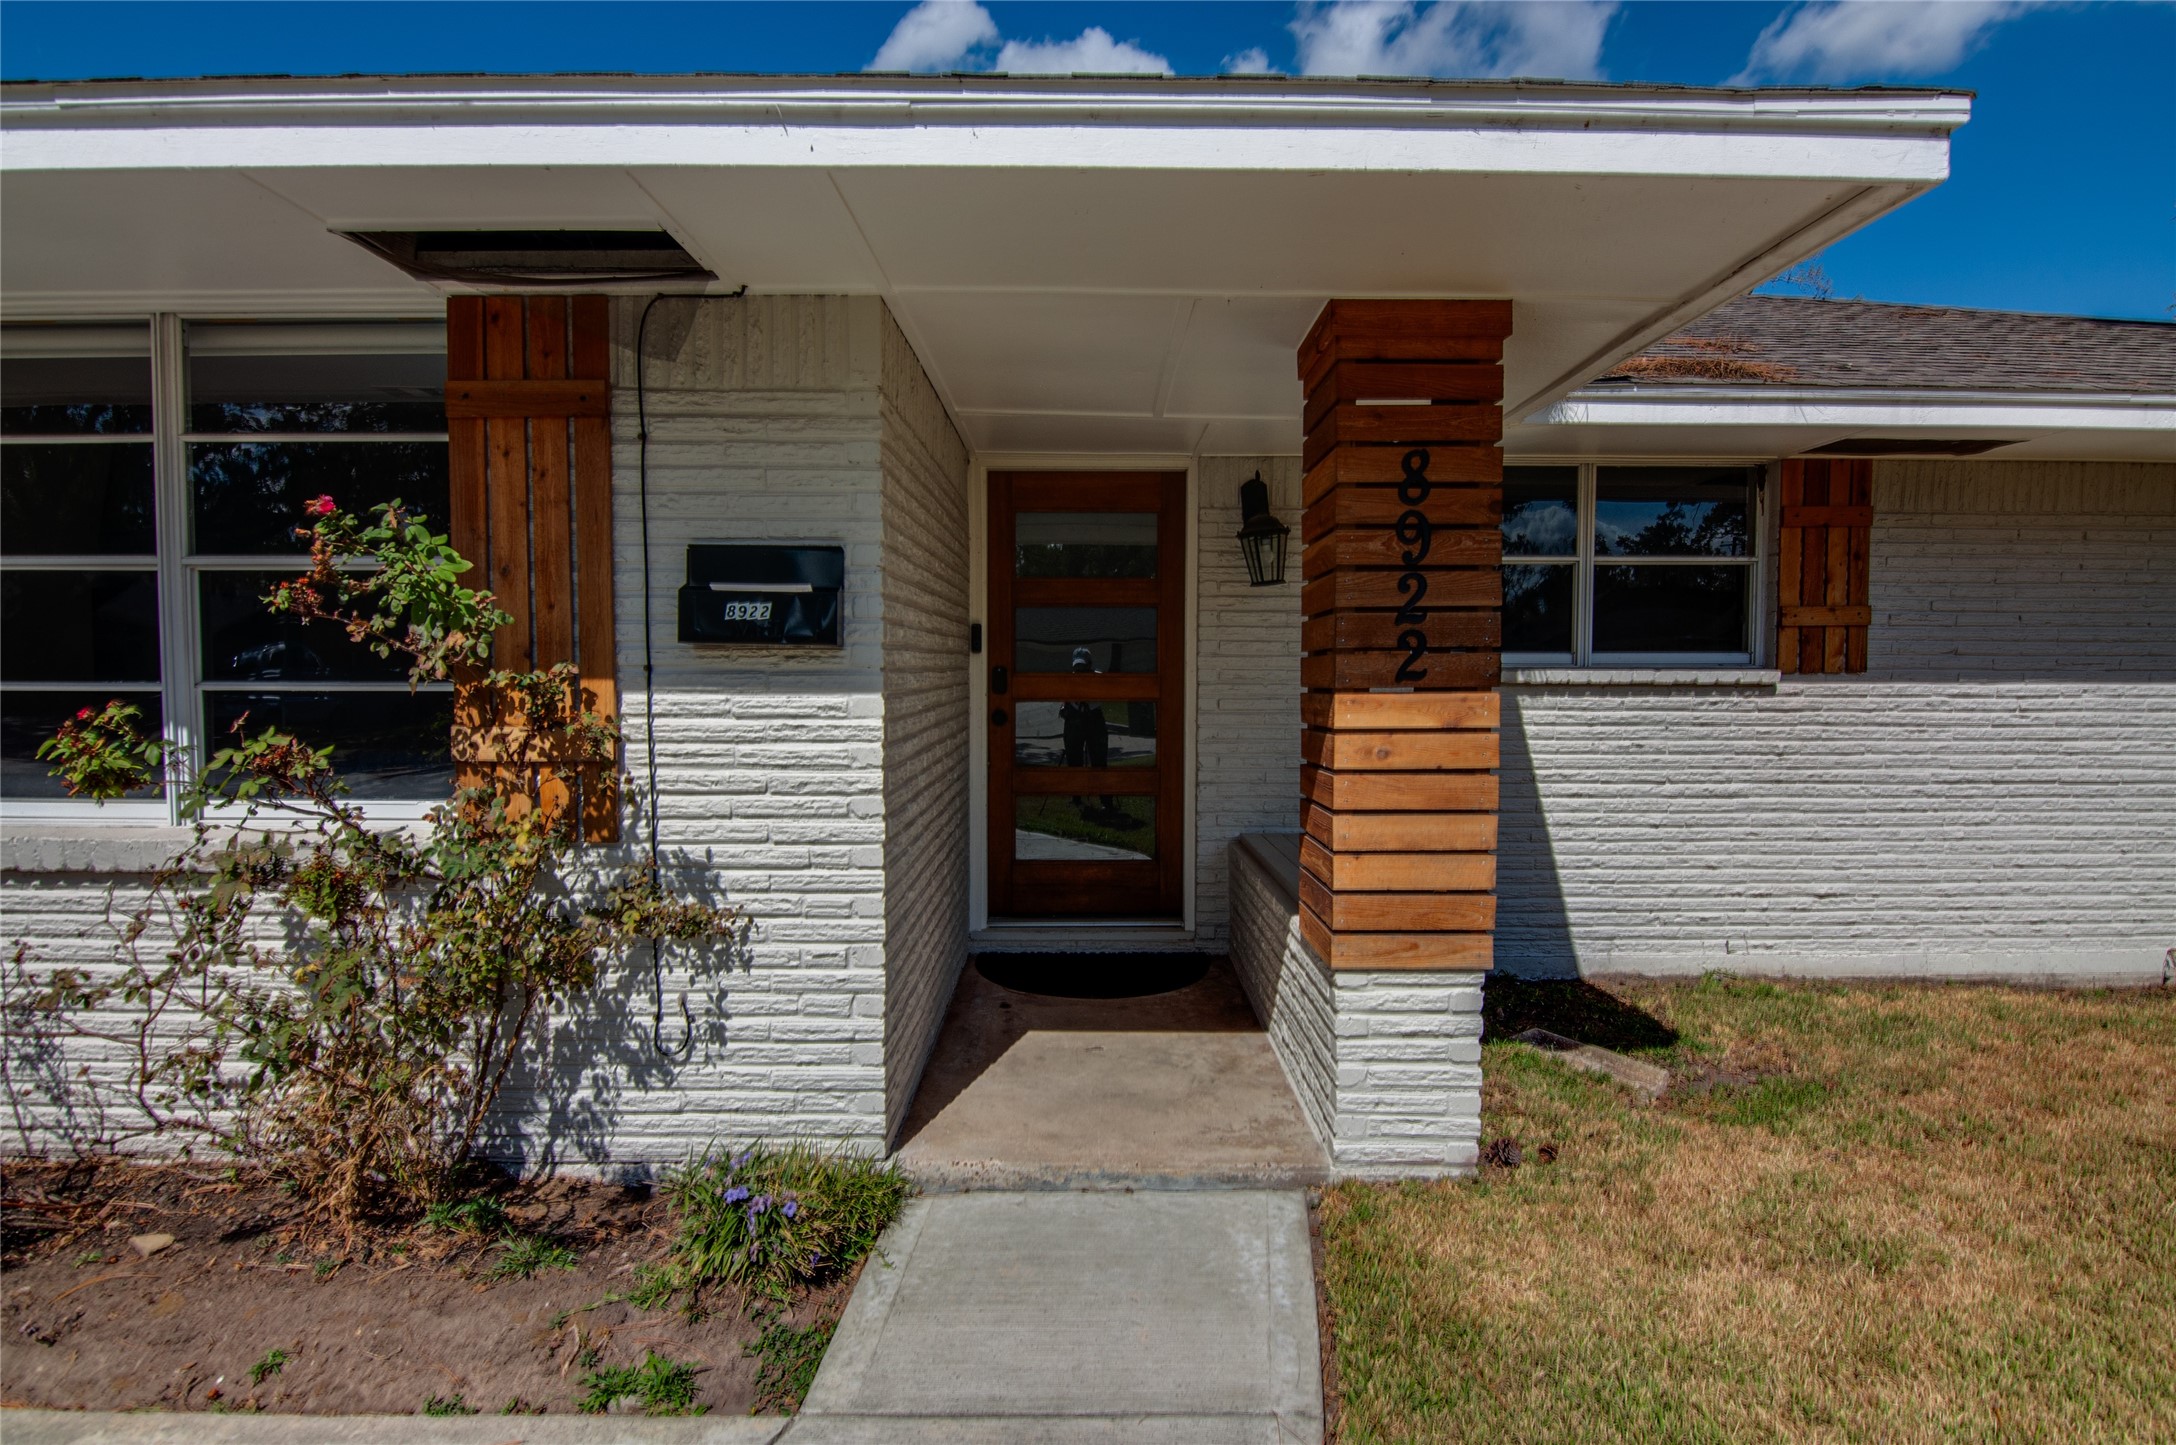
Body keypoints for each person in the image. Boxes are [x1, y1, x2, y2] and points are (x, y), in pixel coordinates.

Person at [1059, 647, 1116, 812]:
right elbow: (1065, 698)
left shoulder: (1098, 678)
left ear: (1089, 665)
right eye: (1076, 667)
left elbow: (1107, 693)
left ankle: (1106, 801)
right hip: (1074, 718)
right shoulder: (1069, 679)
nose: (1079, 670)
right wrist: (1064, 706)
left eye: (1082, 666)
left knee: (1099, 761)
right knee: (1073, 760)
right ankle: (1076, 797)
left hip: (1094, 718)